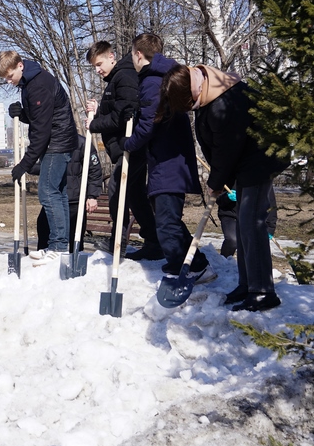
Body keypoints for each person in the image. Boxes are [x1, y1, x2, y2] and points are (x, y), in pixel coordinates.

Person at [156, 62, 288, 311]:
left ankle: (262, 292)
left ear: (189, 91)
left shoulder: (222, 102)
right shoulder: (206, 92)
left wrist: (215, 182)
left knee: (252, 223)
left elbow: (227, 150)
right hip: (246, 161)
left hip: (262, 158)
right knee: (243, 222)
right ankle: (247, 284)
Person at [122, 34, 209, 278]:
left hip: (168, 160)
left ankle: (185, 268)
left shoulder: (152, 82)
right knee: (168, 218)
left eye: (132, 55)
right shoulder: (164, 77)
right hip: (169, 158)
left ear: (139, 54)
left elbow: (149, 123)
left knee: (167, 222)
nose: (133, 60)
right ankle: (195, 263)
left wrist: (128, 143)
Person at [0, 50, 78, 258]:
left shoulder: (39, 84)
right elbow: (38, 117)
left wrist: (25, 164)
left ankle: (58, 247)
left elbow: (42, 131)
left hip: (56, 143)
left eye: (9, 76)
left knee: (48, 192)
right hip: (56, 141)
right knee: (57, 194)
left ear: (20, 66)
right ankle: (61, 246)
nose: (9, 81)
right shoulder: (29, 83)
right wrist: (21, 113)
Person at [85, 41, 161, 260]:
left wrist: (94, 124)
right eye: (94, 67)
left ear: (112, 57)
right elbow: (117, 111)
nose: (98, 70)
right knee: (136, 196)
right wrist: (99, 113)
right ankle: (153, 242)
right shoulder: (116, 79)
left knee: (117, 191)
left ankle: (118, 240)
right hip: (126, 147)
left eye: (99, 64)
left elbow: (123, 115)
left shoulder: (124, 76)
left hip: (132, 146)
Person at [33, 135, 103, 256]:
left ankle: (74, 265)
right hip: (53, 198)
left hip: (75, 200)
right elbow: (45, 167)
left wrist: (92, 196)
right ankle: (44, 266)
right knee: (43, 230)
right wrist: (26, 166)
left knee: (75, 239)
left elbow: (95, 170)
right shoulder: (50, 141)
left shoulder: (82, 143)